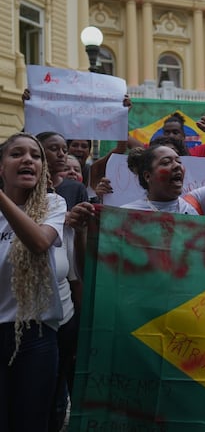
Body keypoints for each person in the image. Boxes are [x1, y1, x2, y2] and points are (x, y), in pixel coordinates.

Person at [69, 112, 205, 222]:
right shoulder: (126, 216)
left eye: (179, 162)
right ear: (147, 176)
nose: (176, 166)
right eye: (166, 162)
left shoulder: (196, 204)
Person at [0, 132, 66, 431]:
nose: (28, 159)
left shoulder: (53, 203)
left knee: (29, 423)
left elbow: (39, 242)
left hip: (35, 334)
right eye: (17, 154)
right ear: (1, 167)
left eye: (36, 156)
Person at [36, 131, 88, 431]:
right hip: (22, 323)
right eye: (51, 149)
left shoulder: (61, 201)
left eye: (63, 149)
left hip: (62, 318)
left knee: (56, 391)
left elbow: (73, 272)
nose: (59, 154)